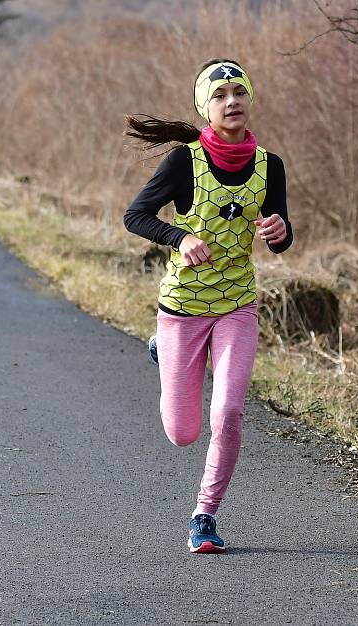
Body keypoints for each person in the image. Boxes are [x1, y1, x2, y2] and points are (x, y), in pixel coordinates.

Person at [123, 58, 293, 553]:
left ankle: (205, 514)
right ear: (205, 107)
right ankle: (163, 348)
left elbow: (280, 237)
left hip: (237, 305)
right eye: (219, 95)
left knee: (230, 413)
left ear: (249, 99)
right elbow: (135, 217)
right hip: (183, 308)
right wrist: (180, 238)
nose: (231, 101)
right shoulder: (183, 163)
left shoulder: (269, 165)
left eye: (238, 91)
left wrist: (280, 233)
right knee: (182, 433)